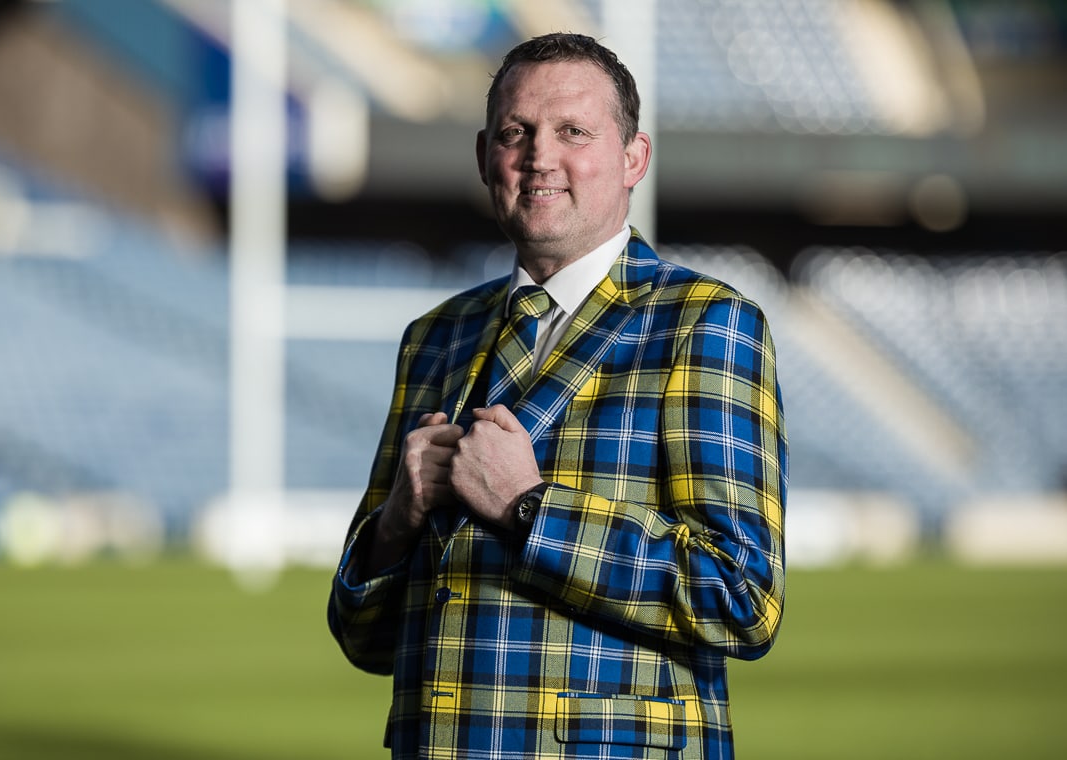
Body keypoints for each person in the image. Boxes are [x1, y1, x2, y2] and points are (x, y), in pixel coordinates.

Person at [328, 32, 786, 759]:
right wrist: (395, 525)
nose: (540, 156)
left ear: (634, 158)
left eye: (573, 131)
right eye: (517, 133)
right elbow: (364, 637)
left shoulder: (705, 322)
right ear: (486, 156)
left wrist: (528, 508)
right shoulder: (435, 338)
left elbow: (742, 599)